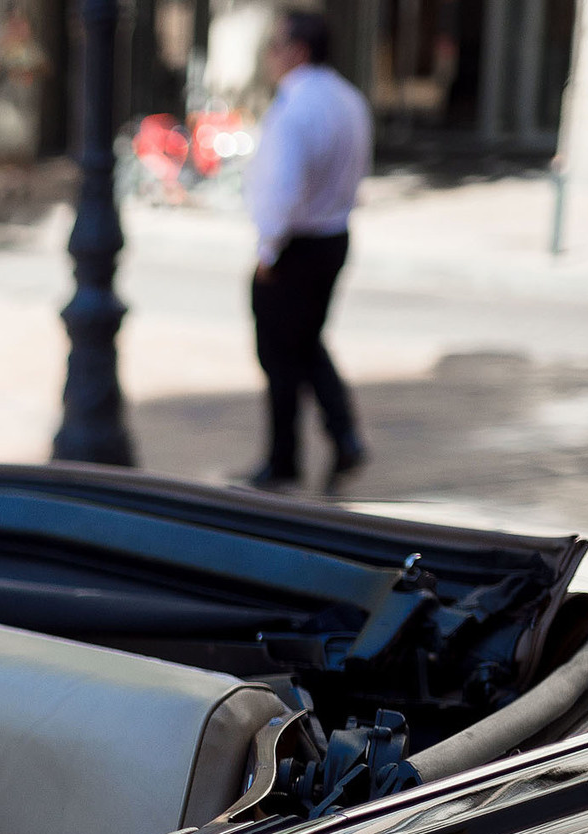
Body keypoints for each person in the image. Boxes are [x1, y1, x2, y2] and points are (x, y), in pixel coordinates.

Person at [240, 9, 372, 494]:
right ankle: (343, 437)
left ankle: (283, 459)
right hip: (333, 237)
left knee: (281, 354)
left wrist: (267, 250)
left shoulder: (296, 106)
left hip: (298, 244)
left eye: (275, 47)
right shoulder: (348, 99)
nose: (270, 57)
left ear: (297, 51)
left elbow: (281, 189)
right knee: (307, 343)